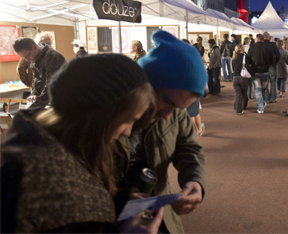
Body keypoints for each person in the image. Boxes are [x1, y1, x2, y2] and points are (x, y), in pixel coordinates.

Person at [1, 54, 163, 233]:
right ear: (97, 116)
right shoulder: (51, 192)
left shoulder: (38, 142)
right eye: (127, 120)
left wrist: (119, 200)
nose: (128, 132)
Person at [119, 30, 208, 234]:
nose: (169, 115)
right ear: (145, 86)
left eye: (180, 108)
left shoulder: (174, 111)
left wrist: (195, 181)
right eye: (167, 102)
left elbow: (189, 148)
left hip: (160, 215)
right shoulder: (107, 119)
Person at [12, 37, 66, 110]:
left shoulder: (52, 57)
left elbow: (51, 85)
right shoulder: (35, 57)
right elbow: (36, 78)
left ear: (34, 47)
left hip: (60, 100)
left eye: (27, 56)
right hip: (48, 100)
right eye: (23, 58)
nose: (27, 59)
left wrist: (34, 108)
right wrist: (34, 93)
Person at [246, 34, 275, 114]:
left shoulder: (251, 49)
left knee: (258, 90)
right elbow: (272, 61)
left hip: (255, 72)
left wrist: (251, 70)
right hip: (265, 71)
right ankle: (263, 103)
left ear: (257, 39)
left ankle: (260, 107)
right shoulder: (268, 49)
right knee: (264, 89)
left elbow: (247, 61)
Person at [232, 44, 250, 115]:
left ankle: (237, 109)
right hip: (243, 78)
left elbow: (233, 68)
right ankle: (243, 106)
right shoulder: (245, 57)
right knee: (244, 94)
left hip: (235, 78)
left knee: (238, 94)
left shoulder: (233, 58)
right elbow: (248, 66)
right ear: (242, 49)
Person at [263, 32, 280, 103]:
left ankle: (267, 98)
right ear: (269, 37)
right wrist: (275, 62)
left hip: (264, 66)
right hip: (272, 65)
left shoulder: (261, 45)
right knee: (273, 81)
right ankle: (273, 98)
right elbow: (278, 55)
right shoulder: (273, 44)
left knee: (265, 82)